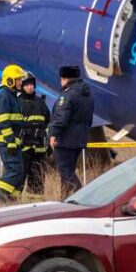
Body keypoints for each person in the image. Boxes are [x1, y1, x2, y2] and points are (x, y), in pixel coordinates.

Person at [49, 65, 94, 196]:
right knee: (69, 172)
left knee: (66, 173)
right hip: (80, 139)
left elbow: (60, 118)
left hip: (65, 140)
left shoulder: (67, 95)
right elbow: (89, 120)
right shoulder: (87, 96)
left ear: (64, 79)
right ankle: (66, 200)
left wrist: (53, 134)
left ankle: (82, 196)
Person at [0, 64, 27, 202]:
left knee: (19, 171)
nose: (21, 82)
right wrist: (10, 141)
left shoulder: (12, 96)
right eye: (18, 79)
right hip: (6, 141)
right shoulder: (4, 96)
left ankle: (12, 200)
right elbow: (3, 121)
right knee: (15, 170)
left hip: (13, 141)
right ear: (10, 80)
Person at [18, 71, 51, 196]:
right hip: (24, 147)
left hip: (39, 147)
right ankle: (14, 201)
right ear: (22, 86)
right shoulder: (17, 102)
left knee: (38, 176)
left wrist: (48, 144)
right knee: (20, 176)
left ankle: (36, 201)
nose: (29, 87)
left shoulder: (41, 102)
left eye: (31, 84)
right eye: (27, 85)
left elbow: (48, 122)